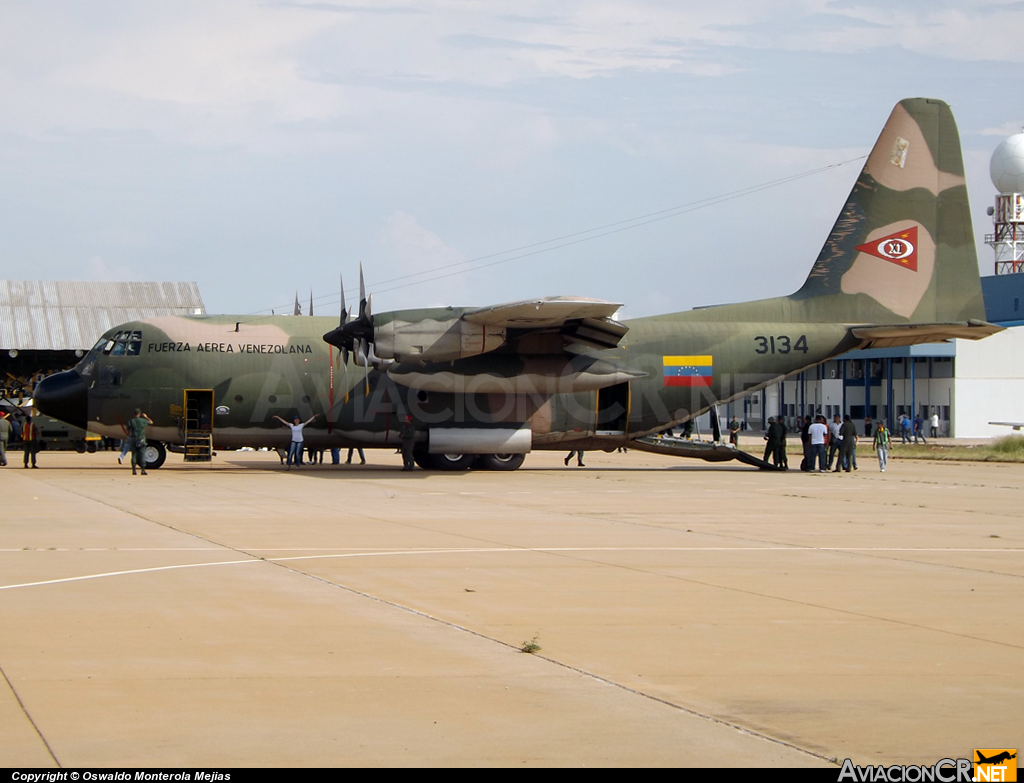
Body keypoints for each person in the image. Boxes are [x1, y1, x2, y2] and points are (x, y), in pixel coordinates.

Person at [126, 408, 152, 476]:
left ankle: (134, 470)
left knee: (134, 455)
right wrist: (146, 417)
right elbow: (151, 422)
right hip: (141, 439)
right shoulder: (142, 421)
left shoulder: (131, 421)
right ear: (139, 414)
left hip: (134, 439)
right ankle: (143, 470)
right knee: (142, 455)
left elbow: (127, 430)